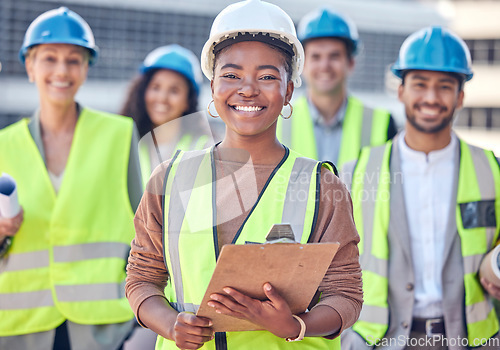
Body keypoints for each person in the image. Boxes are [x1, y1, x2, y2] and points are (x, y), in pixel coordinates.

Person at [125, 0, 363, 349]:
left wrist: (296, 324)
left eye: (267, 76)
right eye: (231, 75)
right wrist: (171, 325)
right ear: (213, 87)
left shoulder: (322, 186)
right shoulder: (170, 178)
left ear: (289, 92)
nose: (247, 89)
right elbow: (142, 277)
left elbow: (346, 294)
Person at [341, 26, 500, 349]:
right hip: (378, 341)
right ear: (401, 91)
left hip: (472, 340)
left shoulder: (492, 170)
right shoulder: (355, 172)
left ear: (460, 96)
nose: (430, 97)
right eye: (420, 84)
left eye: (444, 86)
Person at [0, 7, 142, 349]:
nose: (62, 70)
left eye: (74, 60)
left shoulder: (119, 135)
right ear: (30, 67)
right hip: (20, 324)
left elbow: (146, 230)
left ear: (86, 69)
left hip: (102, 327)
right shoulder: (4, 145)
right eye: (49, 58)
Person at [277, 7, 397, 170]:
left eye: (334, 56)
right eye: (316, 56)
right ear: (301, 65)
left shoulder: (384, 124)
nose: (325, 66)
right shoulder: (276, 122)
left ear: (351, 63)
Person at [121, 45, 214, 185]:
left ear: (188, 101)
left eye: (174, 91)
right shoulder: (125, 143)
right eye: (155, 87)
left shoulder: (204, 148)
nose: (162, 98)